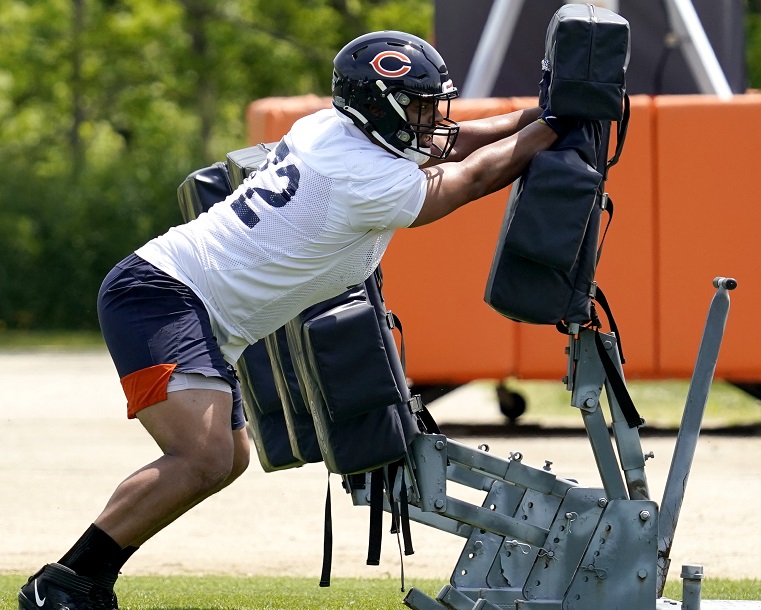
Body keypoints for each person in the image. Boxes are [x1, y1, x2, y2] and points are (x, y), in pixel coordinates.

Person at [17, 30, 573, 610]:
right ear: (380, 106)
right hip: (163, 295)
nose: (430, 117)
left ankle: (82, 580)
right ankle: (65, 584)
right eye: (417, 104)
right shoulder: (365, 177)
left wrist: (538, 116)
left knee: (224, 460)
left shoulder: (334, 130)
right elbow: (473, 175)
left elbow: (454, 145)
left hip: (185, 300)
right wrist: (555, 128)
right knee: (202, 457)